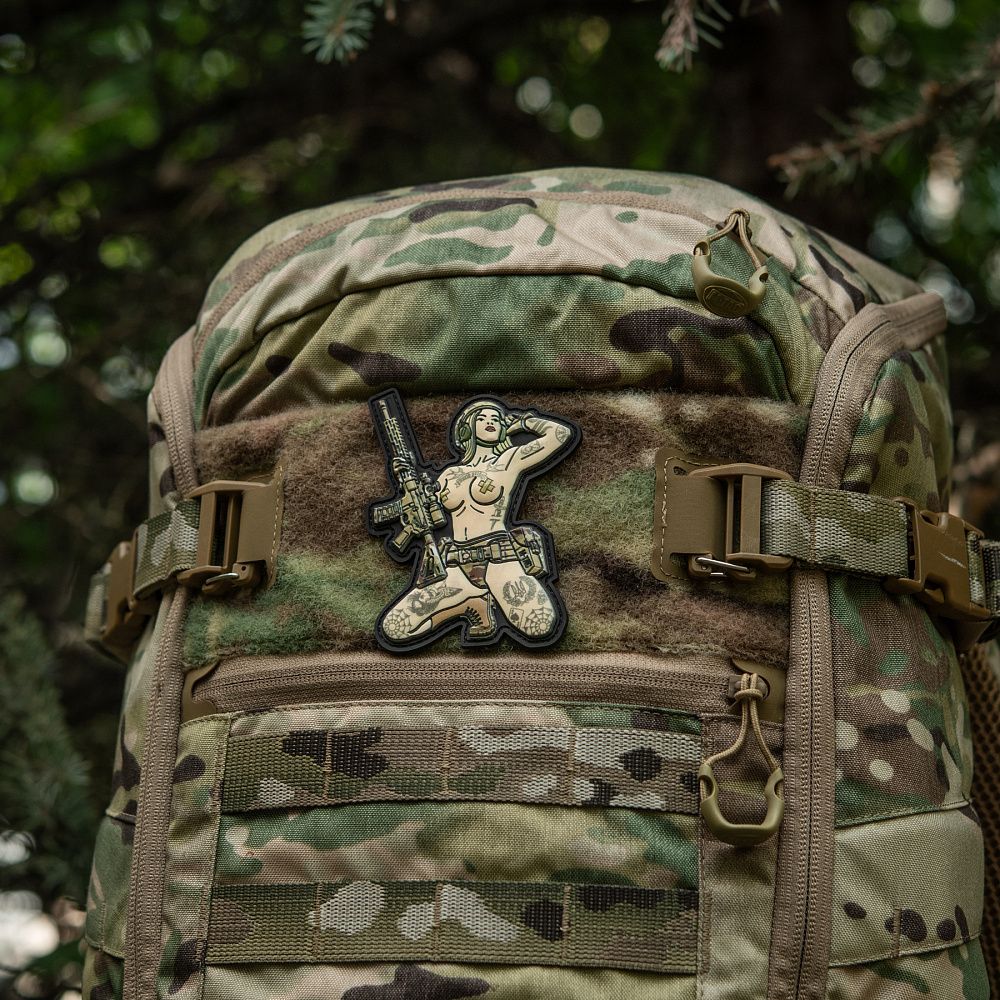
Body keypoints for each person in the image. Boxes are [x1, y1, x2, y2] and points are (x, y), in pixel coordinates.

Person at [378, 398, 576, 647]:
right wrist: (407, 485)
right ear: (466, 430)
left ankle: (478, 600)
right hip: (456, 566)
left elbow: (560, 434)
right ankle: (471, 603)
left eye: (496, 419)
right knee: (395, 628)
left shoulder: (509, 461)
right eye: (481, 419)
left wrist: (522, 422)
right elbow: (425, 511)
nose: (490, 422)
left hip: (500, 560)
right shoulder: (449, 475)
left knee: (540, 625)